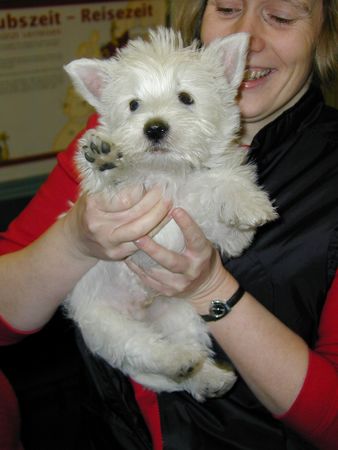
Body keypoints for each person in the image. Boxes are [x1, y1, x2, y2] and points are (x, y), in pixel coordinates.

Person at [0, 0, 337, 449]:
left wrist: (209, 289)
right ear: (198, 16)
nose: (250, 35)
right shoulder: (109, 143)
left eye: (281, 16)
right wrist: (74, 241)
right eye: (228, 7)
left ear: (324, 35)